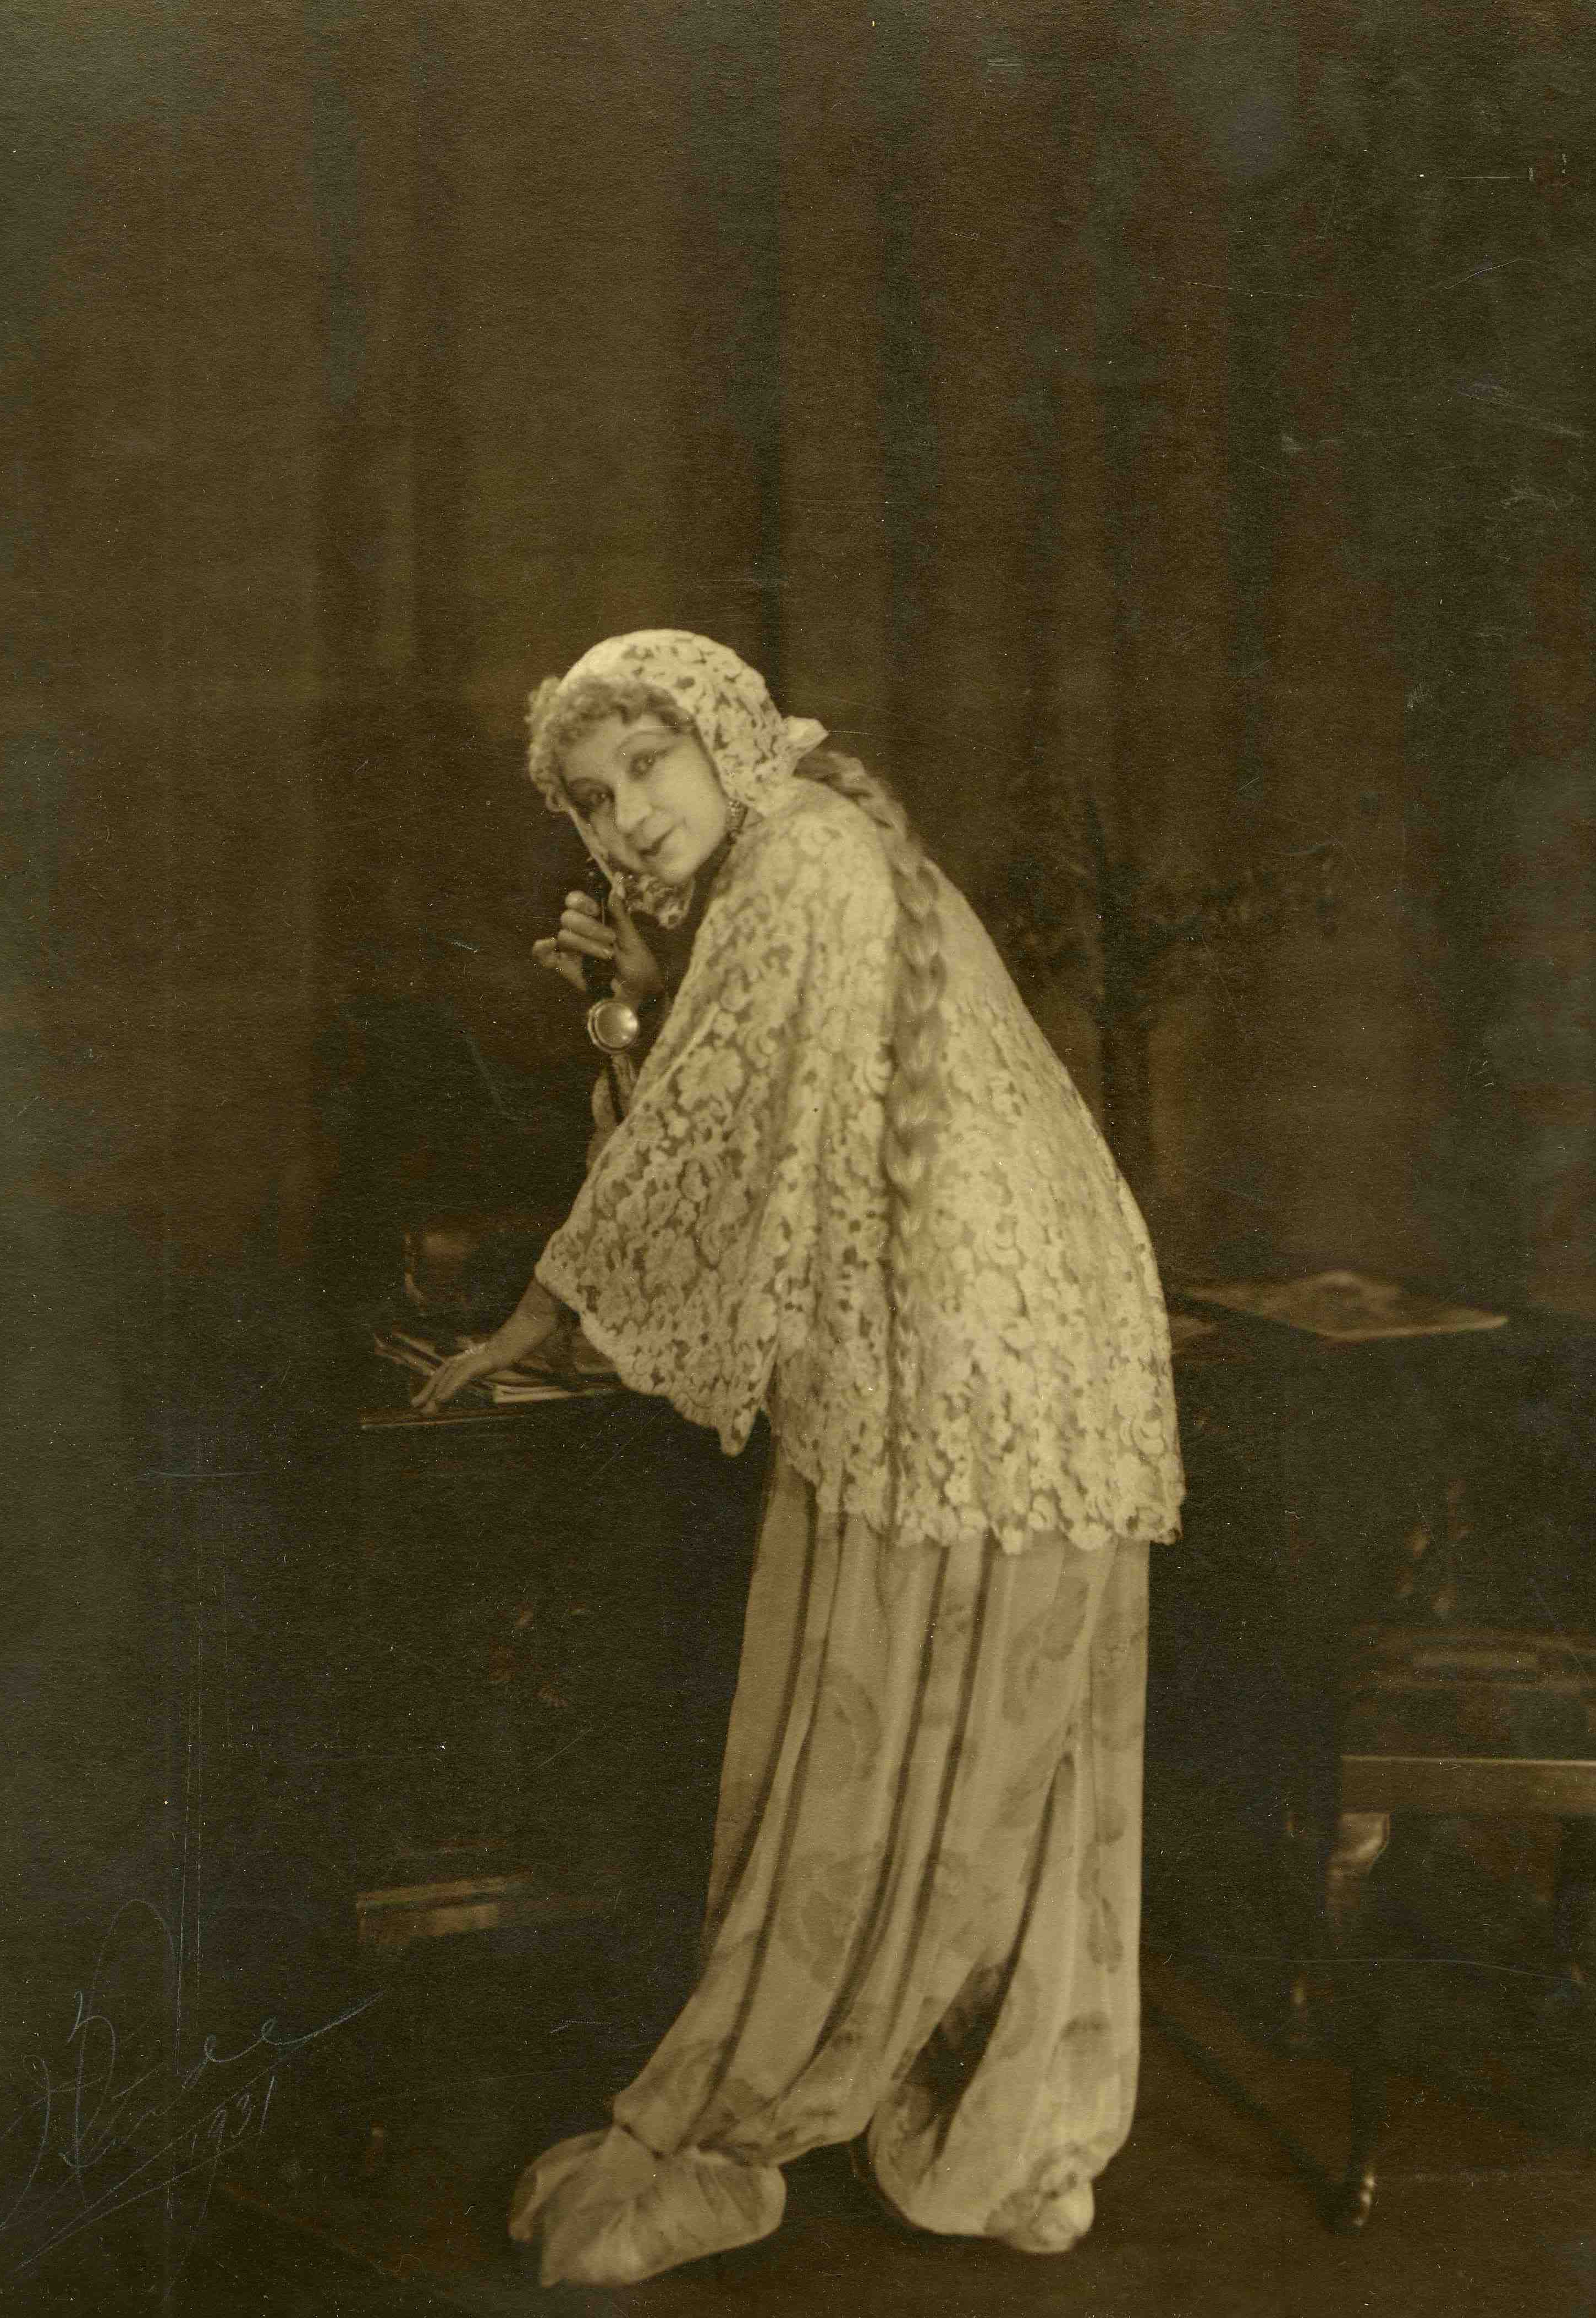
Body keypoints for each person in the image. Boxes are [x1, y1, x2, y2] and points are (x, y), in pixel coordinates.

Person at [413, 629, 1184, 2287]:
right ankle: (1011, 2138)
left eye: (648, 768)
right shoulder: (804, 860)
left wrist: (536, 1320)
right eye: (591, 800)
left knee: (883, 1748)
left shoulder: (804, 861)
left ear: (729, 743)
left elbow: (699, 1136)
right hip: (1027, 1351)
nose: (626, 818)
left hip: (968, 1354)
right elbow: (728, 1111)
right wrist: (639, 992)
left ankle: (762, 2119)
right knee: (984, 1752)